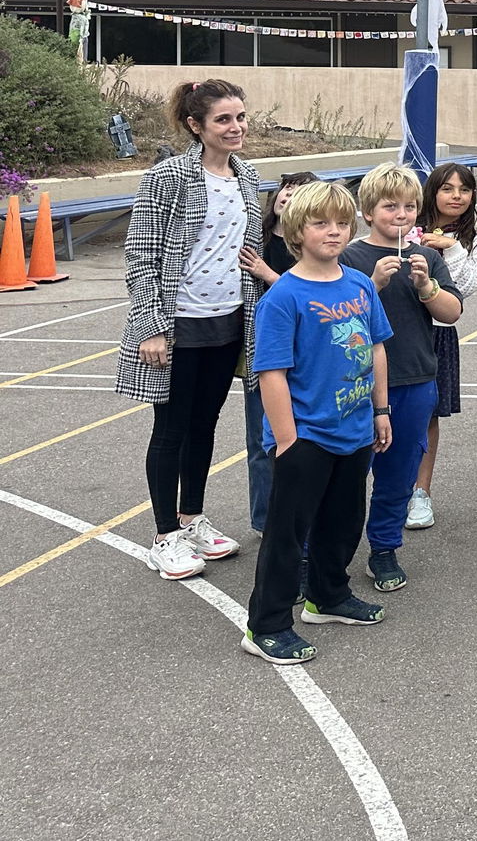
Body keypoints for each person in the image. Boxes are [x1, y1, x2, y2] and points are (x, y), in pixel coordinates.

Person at [240, 180, 394, 664]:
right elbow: (271, 373)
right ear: (296, 230)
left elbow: (376, 348)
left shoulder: (360, 284)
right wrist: (287, 440)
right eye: (320, 222)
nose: (334, 231)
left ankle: (327, 597)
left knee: (345, 521)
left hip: (353, 429)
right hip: (306, 436)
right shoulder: (284, 296)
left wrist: (380, 409)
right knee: (288, 534)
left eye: (342, 222)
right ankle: (266, 624)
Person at [119, 78, 264, 581]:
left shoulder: (247, 177)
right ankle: (165, 535)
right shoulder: (169, 177)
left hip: (228, 319)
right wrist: (152, 326)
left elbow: (250, 250)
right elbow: (141, 257)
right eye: (224, 119)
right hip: (178, 324)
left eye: (240, 117)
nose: (236, 127)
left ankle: (192, 517)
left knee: (205, 425)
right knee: (171, 428)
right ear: (195, 125)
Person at [342, 163, 461, 593]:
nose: (401, 214)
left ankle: (384, 548)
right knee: (346, 474)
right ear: (368, 212)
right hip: (355, 383)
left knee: (397, 474)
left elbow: (451, 313)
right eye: (390, 206)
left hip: (414, 378)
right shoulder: (350, 257)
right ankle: (330, 552)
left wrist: (427, 287)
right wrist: (372, 284)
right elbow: (338, 314)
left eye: (409, 206)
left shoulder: (426, 257)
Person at [408, 162, 477, 530]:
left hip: (439, 333)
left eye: (465, 190)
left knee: (428, 415)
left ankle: (421, 493)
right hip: (400, 329)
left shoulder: (473, 239)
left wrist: (451, 249)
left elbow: (466, 288)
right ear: (432, 191)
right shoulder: (408, 225)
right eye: (447, 188)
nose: (456, 196)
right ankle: (388, 489)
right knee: (381, 412)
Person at [242, 171, 321, 535]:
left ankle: (304, 518)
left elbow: (308, 293)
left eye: (299, 194)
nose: (288, 198)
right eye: (286, 192)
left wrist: (266, 273)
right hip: (262, 348)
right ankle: (265, 520)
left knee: (301, 438)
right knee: (261, 441)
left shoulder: (309, 248)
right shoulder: (254, 239)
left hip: (307, 353)